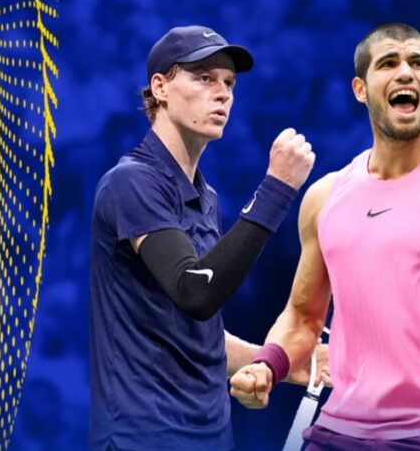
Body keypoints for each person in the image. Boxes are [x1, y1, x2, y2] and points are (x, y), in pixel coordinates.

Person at [230, 23, 420, 450]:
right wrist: (266, 365)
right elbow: (302, 318)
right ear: (360, 89)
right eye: (389, 63)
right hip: (341, 433)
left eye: (418, 64)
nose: (406, 73)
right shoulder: (324, 198)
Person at [88, 25, 319, 450]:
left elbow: (194, 333)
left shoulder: (203, 196)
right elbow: (195, 292)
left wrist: (276, 363)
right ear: (160, 87)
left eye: (229, 83)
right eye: (204, 78)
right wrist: (276, 189)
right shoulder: (132, 183)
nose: (223, 93)